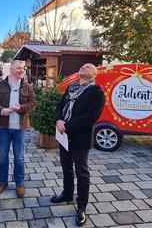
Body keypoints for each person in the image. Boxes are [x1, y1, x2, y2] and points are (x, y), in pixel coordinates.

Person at [50, 63, 105, 227]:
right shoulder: (71, 87)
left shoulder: (96, 91)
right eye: (82, 66)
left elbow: (91, 117)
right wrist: (59, 119)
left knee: (81, 172)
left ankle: (81, 207)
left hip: (80, 137)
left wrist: (67, 125)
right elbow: (61, 106)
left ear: (94, 75)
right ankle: (67, 194)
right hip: (64, 135)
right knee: (65, 166)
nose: (84, 67)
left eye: (89, 66)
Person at [0, 60, 37, 198]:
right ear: (11, 69)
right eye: (18, 68)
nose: (21, 70)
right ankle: (3, 182)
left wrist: (21, 108)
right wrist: (2, 110)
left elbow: (34, 102)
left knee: (19, 157)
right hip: (3, 127)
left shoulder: (27, 86)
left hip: (19, 128)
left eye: (22, 68)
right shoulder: (0, 85)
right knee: (3, 156)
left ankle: (19, 183)